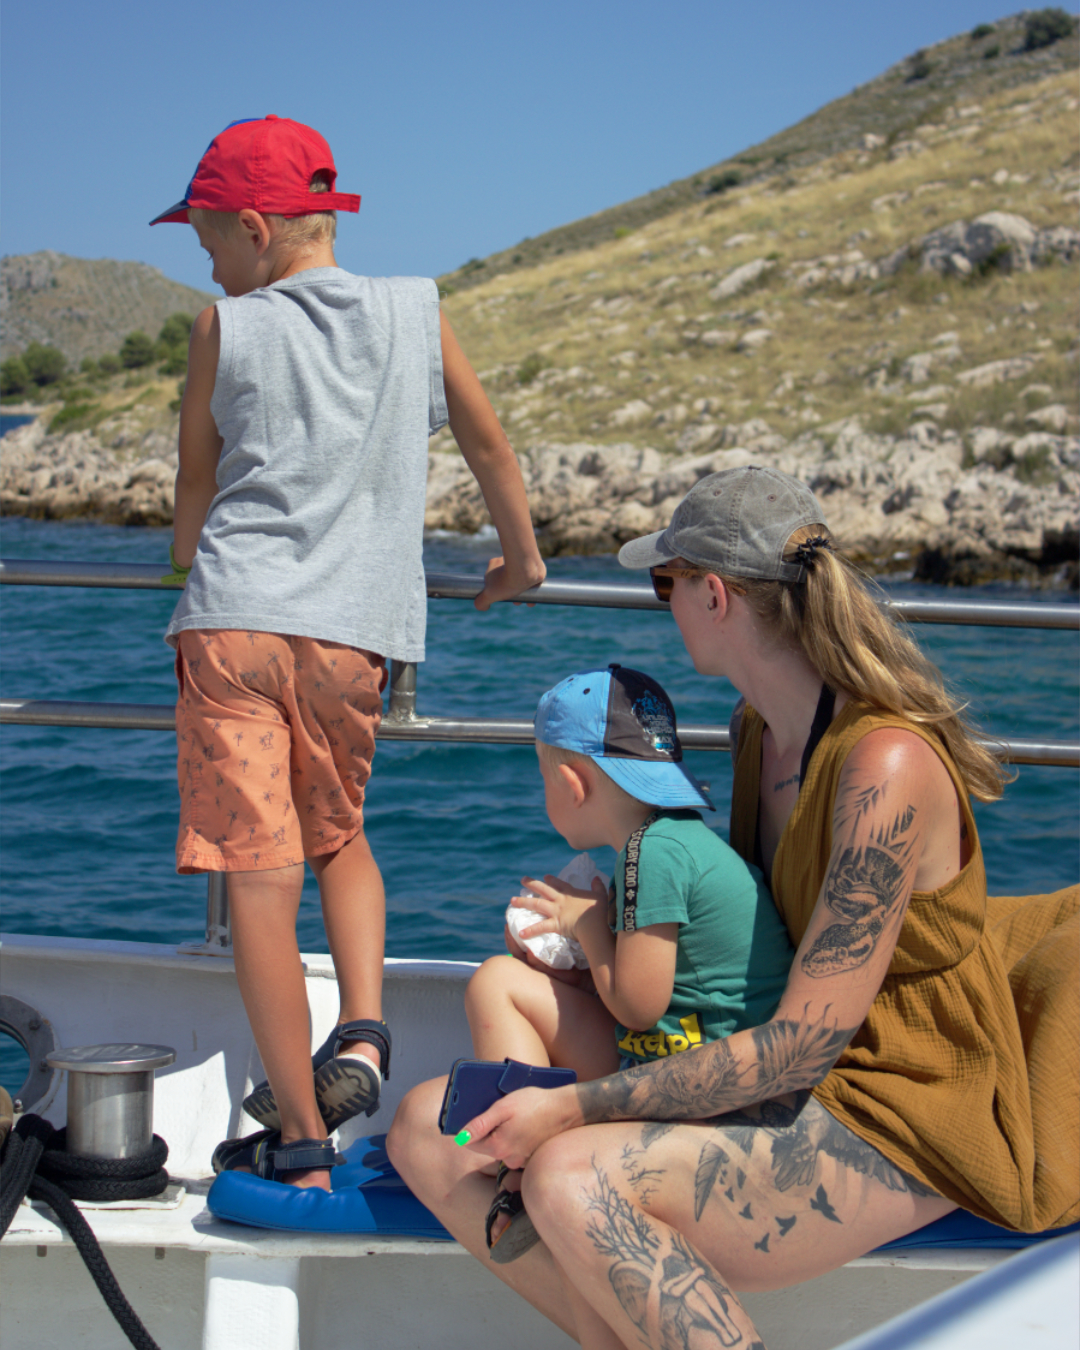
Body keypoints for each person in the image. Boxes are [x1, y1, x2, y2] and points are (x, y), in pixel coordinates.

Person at [388, 465, 1078, 1349]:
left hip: (900, 1105)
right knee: (429, 1131)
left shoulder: (885, 767)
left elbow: (801, 1046)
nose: (662, 604)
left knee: (567, 1176)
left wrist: (572, 1109)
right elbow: (748, 957)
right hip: (781, 1071)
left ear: (714, 595)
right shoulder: (763, 730)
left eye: (664, 582)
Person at [152, 116, 546, 1190]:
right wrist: (521, 558)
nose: (208, 263)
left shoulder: (221, 327)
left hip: (233, 621)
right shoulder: (416, 309)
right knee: (341, 837)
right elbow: (488, 441)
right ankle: (366, 1034)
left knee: (261, 888)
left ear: (254, 226)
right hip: (352, 636)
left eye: (210, 242)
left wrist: (190, 550)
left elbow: (197, 484)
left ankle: (302, 1145)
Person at [467, 664, 793, 1262]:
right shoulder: (668, 840)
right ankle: (526, 1139)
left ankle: (521, 1158)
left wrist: (588, 925)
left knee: (496, 982)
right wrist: (573, 966)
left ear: (570, 782)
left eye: (543, 778)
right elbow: (664, 986)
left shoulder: (652, 854)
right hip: (702, 1061)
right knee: (511, 978)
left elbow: (641, 1009)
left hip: (696, 1089)